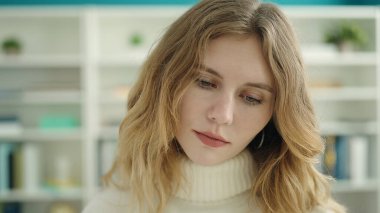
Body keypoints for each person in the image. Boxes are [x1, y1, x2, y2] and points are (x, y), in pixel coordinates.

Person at [83, 0, 346, 212]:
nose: (222, 115)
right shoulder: (110, 207)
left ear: (276, 113)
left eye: (252, 98)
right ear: (165, 82)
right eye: (206, 83)